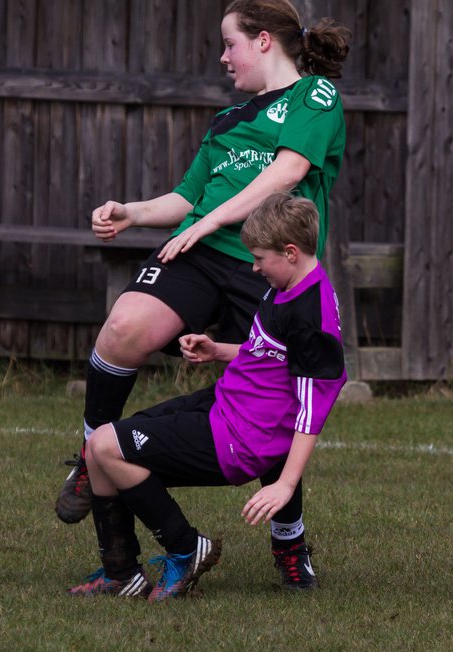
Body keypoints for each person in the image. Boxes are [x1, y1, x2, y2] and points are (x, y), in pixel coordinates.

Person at [56, 0, 352, 588]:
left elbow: (288, 171)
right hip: (202, 255)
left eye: (229, 44)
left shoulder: (314, 97)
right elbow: (186, 199)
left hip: (263, 267)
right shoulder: (227, 119)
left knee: (269, 401)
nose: (223, 57)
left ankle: (289, 543)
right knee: (122, 327)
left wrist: (209, 222)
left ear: (264, 41)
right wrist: (132, 213)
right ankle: (95, 458)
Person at [68, 193, 346, 600]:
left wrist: (285, 485)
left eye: (259, 259)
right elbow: (270, 353)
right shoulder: (289, 284)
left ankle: (186, 547)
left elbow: (312, 409)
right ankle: (119, 571)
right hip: (223, 404)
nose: (253, 268)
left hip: (238, 440)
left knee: (108, 449)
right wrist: (219, 350)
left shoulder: (312, 316)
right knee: (99, 446)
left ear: (290, 252)